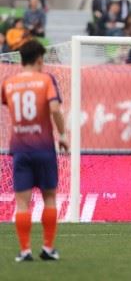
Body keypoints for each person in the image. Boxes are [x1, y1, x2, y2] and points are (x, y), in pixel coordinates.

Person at [1, 40, 68, 261]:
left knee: (22, 201)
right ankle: (48, 248)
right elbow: (55, 109)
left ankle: (25, 250)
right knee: (49, 197)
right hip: (44, 148)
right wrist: (63, 135)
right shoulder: (46, 80)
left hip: (20, 148)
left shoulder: (8, 83)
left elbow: (8, 105)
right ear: (39, 59)